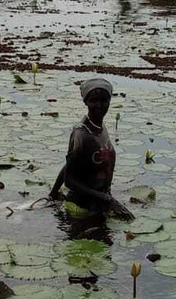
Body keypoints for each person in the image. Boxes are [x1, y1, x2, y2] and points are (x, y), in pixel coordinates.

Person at [50, 78, 133, 219]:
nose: (99, 105)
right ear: (86, 102)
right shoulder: (82, 134)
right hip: (82, 209)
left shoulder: (100, 127)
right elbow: (69, 180)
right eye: (94, 100)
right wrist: (107, 200)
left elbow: (70, 164)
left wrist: (53, 193)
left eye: (104, 100)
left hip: (99, 203)